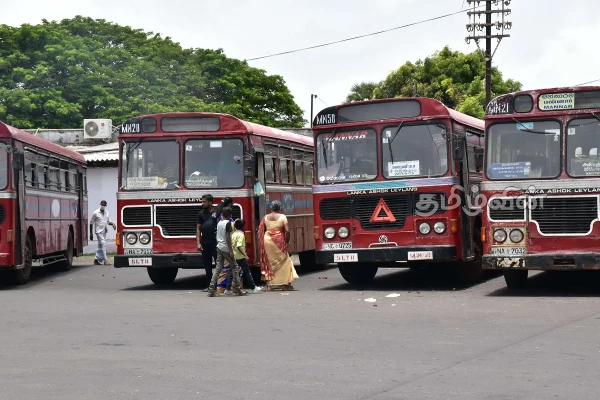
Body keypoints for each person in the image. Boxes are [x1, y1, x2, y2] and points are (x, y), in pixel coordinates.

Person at [258, 200, 298, 291]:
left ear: (271, 208)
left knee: (270, 262)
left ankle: (270, 285)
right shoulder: (283, 217)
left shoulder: (265, 217)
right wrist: (287, 241)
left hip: (267, 240)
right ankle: (285, 284)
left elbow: (261, 230)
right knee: (285, 262)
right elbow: (287, 230)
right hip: (279, 240)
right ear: (280, 208)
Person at [207, 207, 247, 297]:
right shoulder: (228, 223)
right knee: (235, 267)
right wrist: (231, 251)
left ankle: (211, 289)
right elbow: (228, 237)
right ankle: (238, 289)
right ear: (230, 215)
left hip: (219, 247)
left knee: (218, 268)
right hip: (226, 247)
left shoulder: (219, 222)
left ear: (222, 214)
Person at [224, 219, 262, 294]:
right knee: (247, 272)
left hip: (234, 255)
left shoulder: (233, 233)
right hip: (240, 257)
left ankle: (227, 289)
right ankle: (253, 287)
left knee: (232, 272)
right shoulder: (241, 235)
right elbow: (239, 246)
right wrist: (245, 255)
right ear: (243, 226)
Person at [196, 194, 218, 283]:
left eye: (204, 202)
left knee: (218, 263)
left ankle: (219, 284)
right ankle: (209, 284)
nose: (202, 203)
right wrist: (198, 243)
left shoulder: (217, 212)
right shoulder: (201, 214)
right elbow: (198, 228)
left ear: (210, 202)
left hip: (216, 242)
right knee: (207, 264)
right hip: (205, 242)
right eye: (202, 201)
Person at [89, 200, 116, 265]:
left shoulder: (107, 212)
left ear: (105, 205)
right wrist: (91, 234)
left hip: (104, 231)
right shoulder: (95, 213)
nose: (103, 206)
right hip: (98, 231)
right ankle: (105, 260)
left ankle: (96, 260)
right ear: (100, 204)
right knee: (103, 243)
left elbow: (108, 221)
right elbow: (91, 223)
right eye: (102, 205)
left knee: (100, 246)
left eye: (104, 205)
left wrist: (113, 224)